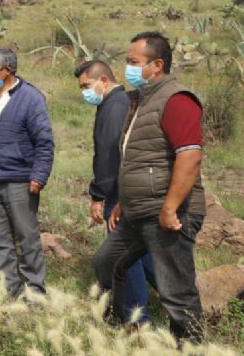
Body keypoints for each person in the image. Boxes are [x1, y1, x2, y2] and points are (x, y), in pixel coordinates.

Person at [94, 32, 206, 342]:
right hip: (137, 210)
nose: (127, 68)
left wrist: (170, 207)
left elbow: (190, 156)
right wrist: (123, 201)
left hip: (169, 211)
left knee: (176, 292)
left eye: (133, 62)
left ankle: (191, 348)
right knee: (108, 262)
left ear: (156, 65)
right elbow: (139, 159)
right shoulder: (139, 101)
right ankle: (123, 331)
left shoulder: (176, 99)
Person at [0, 47, 54, 297]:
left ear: (7, 71)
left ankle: (35, 291)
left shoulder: (30, 98)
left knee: (27, 238)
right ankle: (7, 289)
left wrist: (39, 175)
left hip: (20, 180)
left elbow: (44, 142)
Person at [74, 60, 155, 324]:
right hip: (131, 191)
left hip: (119, 194)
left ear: (104, 80)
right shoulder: (115, 103)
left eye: (87, 85)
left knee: (124, 257)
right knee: (142, 253)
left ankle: (136, 318)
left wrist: (98, 195)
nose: (84, 91)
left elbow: (110, 156)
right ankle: (179, 300)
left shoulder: (114, 106)